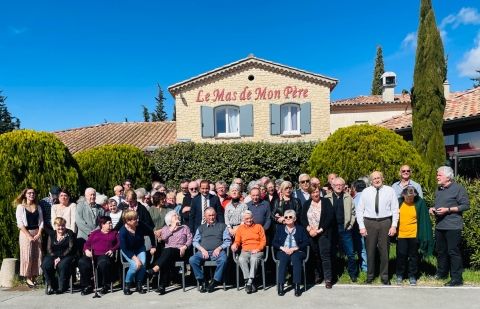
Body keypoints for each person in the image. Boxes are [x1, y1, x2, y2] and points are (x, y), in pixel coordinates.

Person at [429, 166, 470, 287]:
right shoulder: (439, 190)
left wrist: (448, 210)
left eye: (439, 175)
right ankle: (442, 273)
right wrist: (432, 209)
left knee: (453, 252)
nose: (437, 177)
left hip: (453, 226)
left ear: (448, 177)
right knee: (441, 251)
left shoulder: (458, 189)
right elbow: (439, 205)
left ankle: (457, 279)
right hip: (440, 226)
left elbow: (465, 205)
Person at [356, 171, 399, 285]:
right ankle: (370, 276)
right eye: (374, 178)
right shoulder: (366, 192)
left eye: (378, 177)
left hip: (385, 222)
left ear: (382, 178)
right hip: (369, 222)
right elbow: (359, 210)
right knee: (370, 251)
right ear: (371, 180)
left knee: (384, 251)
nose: (376, 180)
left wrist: (394, 225)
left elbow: (395, 209)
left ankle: (384, 277)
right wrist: (361, 226)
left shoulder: (390, 191)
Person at [147, 211, 193, 295]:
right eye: (174, 215)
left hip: (180, 252)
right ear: (169, 219)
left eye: (177, 215)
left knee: (167, 251)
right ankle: (162, 287)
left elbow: (190, 239)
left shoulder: (185, 227)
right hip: (169, 253)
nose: (177, 216)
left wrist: (185, 246)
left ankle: (155, 269)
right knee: (167, 258)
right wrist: (173, 227)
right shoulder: (165, 228)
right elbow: (164, 238)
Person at [396, 186, 433, 286]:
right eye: (407, 197)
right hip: (401, 234)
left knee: (413, 256)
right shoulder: (399, 202)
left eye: (411, 197)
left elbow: (423, 220)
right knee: (401, 255)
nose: (409, 199)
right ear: (403, 195)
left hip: (413, 234)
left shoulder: (419, 203)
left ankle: (412, 275)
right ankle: (400, 274)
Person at [189, 207, 231, 293]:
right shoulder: (200, 228)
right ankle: (202, 281)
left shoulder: (222, 226)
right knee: (192, 259)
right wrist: (202, 249)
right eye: (209, 215)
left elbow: (227, 241)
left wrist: (219, 248)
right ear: (205, 217)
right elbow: (195, 241)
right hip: (203, 252)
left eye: (213, 215)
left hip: (217, 252)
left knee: (223, 260)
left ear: (215, 215)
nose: (211, 217)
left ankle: (214, 281)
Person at [300, 185, 334, 289]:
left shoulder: (326, 202)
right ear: (310, 194)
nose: (315, 194)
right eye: (313, 192)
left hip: (323, 233)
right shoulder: (306, 204)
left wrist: (320, 229)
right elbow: (302, 218)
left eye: (317, 192)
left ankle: (328, 279)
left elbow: (330, 217)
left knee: (325, 256)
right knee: (314, 256)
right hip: (311, 234)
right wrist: (309, 229)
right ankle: (317, 276)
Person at [326, 177, 358, 282]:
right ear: (332, 186)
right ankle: (333, 275)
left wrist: (351, 224)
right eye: (336, 185)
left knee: (350, 253)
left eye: (341, 185)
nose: (339, 187)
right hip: (332, 230)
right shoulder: (327, 198)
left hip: (345, 228)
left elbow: (353, 213)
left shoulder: (348, 197)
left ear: (344, 186)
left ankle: (353, 274)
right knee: (332, 253)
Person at [78, 216, 119, 295]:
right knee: (82, 262)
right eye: (109, 223)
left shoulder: (114, 233)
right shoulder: (95, 233)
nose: (111, 224)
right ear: (102, 224)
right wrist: (86, 250)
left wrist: (112, 250)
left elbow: (119, 243)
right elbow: (86, 244)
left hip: (104, 254)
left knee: (103, 263)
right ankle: (87, 285)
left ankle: (105, 285)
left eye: (111, 222)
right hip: (92, 254)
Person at [272, 209, 309, 297]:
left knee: (296, 258)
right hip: (283, 250)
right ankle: (281, 285)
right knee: (283, 259)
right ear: (284, 219)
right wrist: (283, 248)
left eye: (290, 217)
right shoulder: (280, 228)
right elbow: (274, 242)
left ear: (295, 219)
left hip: (297, 251)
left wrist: (296, 248)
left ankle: (297, 286)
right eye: (286, 217)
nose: (288, 218)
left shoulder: (300, 229)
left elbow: (306, 242)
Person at [119, 210, 156, 295]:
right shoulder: (123, 232)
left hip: (139, 248)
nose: (137, 220)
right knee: (135, 265)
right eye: (134, 219)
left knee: (142, 264)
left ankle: (139, 284)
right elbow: (124, 248)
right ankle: (127, 284)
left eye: (136, 218)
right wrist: (135, 259)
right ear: (128, 221)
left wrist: (153, 246)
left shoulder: (140, 225)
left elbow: (151, 232)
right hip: (128, 250)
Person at [231, 210, 266, 294]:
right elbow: (237, 241)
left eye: (250, 218)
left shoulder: (259, 227)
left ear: (252, 218)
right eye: (246, 219)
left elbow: (263, 241)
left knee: (254, 258)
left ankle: (249, 282)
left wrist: (258, 249)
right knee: (241, 259)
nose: (249, 220)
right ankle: (249, 282)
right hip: (245, 251)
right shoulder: (240, 228)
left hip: (257, 250)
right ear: (243, 219)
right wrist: (235, 245)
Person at [15, 187, 43, 288]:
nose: (32, 194)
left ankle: (34, 277)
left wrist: (39, 233)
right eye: (29, 193)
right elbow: (20, 223)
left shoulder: (38, 207)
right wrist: (28, 236)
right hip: (25, 233)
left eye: (33, 193)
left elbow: (41, 221)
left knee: (37, 255)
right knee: (27, 256)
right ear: (25, 194)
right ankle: (28, 278)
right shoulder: (20, 207)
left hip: (36, 232)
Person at [42, 217, 75, 294]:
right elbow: (49, 248)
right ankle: (52, 285)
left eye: (62, 225)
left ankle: (62, 287)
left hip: (67, 254)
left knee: (62, 265)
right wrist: (55, 257)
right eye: (58, 225)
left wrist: (60, 257)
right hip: (53, 254)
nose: (61, 228)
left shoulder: (69, 233)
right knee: (45, 265)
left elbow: (70, 248)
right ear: (55, 226)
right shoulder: (52, 234)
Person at [76, 188, 105, 256]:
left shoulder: (100, 208)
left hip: (97, 237)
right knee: (84, 259)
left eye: (94, 195)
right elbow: (79, 221)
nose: (92, 197)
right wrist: (90, 233)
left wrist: (95, 232)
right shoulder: (80, 206)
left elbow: (102, 222)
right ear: (86, 196)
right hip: (83, 237)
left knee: (96, 256)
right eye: (90, 195)